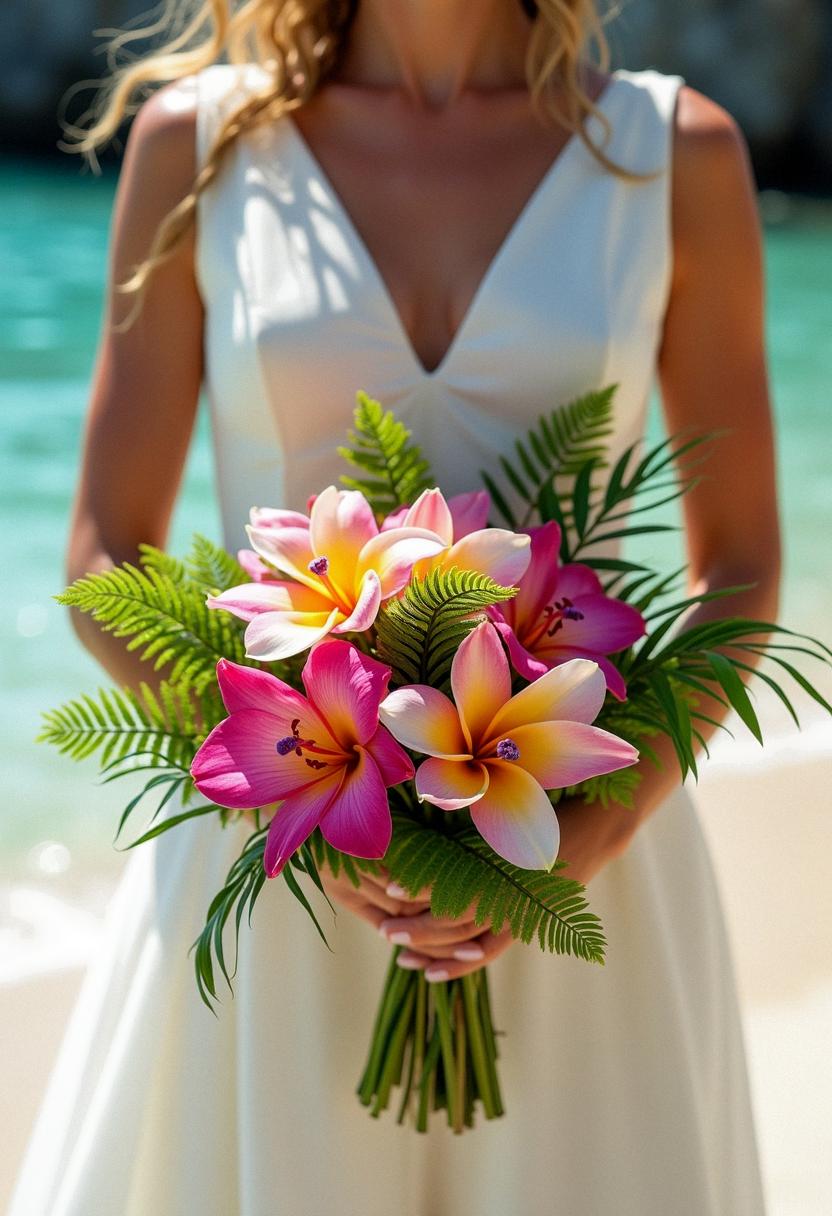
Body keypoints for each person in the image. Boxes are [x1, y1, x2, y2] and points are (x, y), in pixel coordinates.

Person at [12, 1, 779, 1212]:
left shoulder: (672, 153)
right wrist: (314, 796)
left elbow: (736, 566)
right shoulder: (197, 148)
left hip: (576, 855)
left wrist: (593, 833)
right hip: (286, 869)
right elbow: (108, 554)